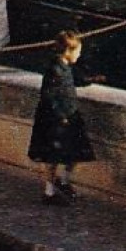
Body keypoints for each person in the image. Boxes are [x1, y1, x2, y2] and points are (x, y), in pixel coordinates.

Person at [27, 30, 96, 205]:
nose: (79, 55)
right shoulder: (55, 69)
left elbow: (71, 82)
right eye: (78, 52)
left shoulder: (62, 67)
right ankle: (49, 192)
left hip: (67, 118)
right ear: (68, 51)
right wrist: (60, 116)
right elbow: (48, 95)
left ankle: (63, 181)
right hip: (56, 121)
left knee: (74, 151)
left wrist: (91, 79)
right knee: (52, 157)